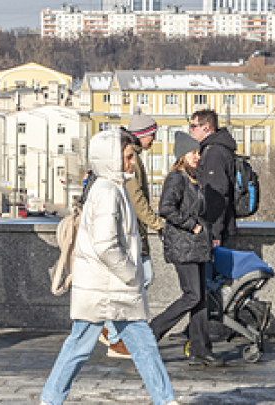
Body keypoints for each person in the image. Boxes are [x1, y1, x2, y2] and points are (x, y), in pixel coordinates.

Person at [40, 130, 177, 405]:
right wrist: (130, 274)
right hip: (109, 287)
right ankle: (50, 399)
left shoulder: (110, 188)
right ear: (112, 159)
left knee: (136, 345)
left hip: (106, 288)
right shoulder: (108, 192)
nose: (132, 163)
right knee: (88, 346)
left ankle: (166, 400)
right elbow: (106, 244)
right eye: (127, 157)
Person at [150, 131, 224, 367]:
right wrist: (191, 225)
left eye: (198, 152)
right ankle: (151, 332)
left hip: (196, 247)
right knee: (192, 295)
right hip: (183, 246)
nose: (198, 156)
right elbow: (166, 208)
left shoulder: (193, 178)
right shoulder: (177, 178)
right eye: (193, 153)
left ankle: (201, 351)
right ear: (182, 154)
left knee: (200, 298)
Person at [101, 106, 164, 358]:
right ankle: (113, 334)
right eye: (152, 134)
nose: (155, 140)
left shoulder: (130, 155)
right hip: (131, 232)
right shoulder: (132, 159)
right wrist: (158, 223)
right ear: (141, 134)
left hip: (132, 230)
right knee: (138, 279)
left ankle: (109, 330)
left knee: (137, 280)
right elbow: (136, 198)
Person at [189, 109, 236, 248]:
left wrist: (215, 233)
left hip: (215, 230)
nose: (191, 130)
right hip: (217, 226)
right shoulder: (215, 149)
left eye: (194, 126)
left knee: (214, 269)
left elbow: (217, 194)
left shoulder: (214, 153)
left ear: (206, 128)